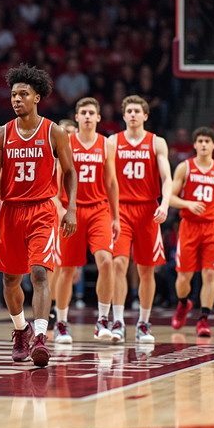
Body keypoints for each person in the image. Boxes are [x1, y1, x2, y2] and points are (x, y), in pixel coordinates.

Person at [0, 64, 77, 367]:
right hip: (10, 210)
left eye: (24, 94)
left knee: (39, 273)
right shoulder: (1, 134)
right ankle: (21, 330)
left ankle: (40, 336)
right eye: (13, 94)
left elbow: (70, 172)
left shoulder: (55, 132)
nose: (17, 99)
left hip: (41, 210)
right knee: (11, 279)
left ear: (38, 97)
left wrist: (71, 207)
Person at [54, 97, 119, 344]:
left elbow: (111, 183)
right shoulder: (66, 142)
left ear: (99, 117)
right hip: (71, 210)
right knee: (67, 270)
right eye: (84, 113)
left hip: (99, 209)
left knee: (105, 260)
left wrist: (116, 218)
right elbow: (55, 181)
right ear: (77, 117)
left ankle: (103, 319)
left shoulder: (106, 144)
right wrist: (60, 208)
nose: (88, 116)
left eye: (92, 112)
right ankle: (61, 322)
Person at [110, 95, 173, 343]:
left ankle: (144, 323)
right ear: (124, 116)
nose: (133, 114)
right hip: (121, 210)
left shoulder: (157, 143)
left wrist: (165, 204)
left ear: (146, 115)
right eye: (129, 111)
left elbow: (167, 178)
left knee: (147, 270)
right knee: (118, 265)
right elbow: (107, 180)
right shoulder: (113, 142)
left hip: (148, 210)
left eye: (138, 111)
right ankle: (117, 321)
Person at [169, 127, 214, 338]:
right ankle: (183, 304)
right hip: (189, 225)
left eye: (207, 141)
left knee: (210, 274)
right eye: (199, 140)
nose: (203, 144)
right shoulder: (185, 168)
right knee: (184, 279)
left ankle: (203, 320)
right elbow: (170, 197)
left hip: (212, 227)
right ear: (194, 144)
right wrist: (187, 203)